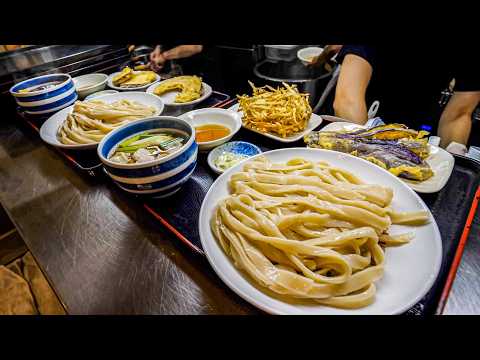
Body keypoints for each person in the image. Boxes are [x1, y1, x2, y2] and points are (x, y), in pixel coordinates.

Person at [325, 45, 480, 153]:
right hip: (361, 118)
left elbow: (458, 115)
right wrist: (368, 150)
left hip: (412, 127)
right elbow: (347, 99)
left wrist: (454, 159)